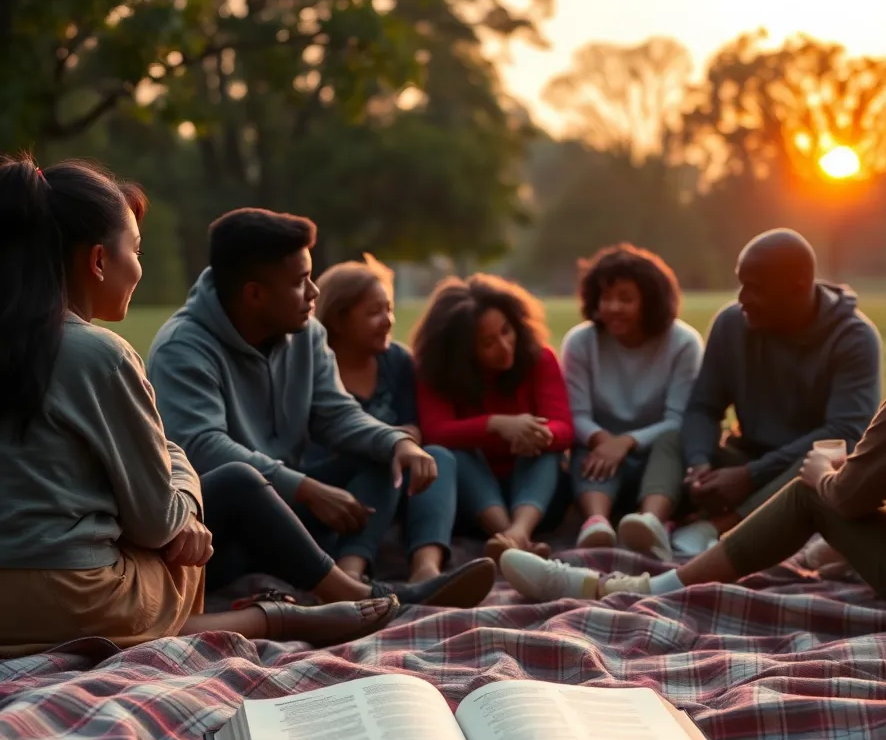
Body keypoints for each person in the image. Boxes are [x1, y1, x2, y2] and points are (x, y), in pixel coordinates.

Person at [0, 156, 404, 657]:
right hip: (75, 597)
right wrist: (185, 487)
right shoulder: (100, 355)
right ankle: (274, 618)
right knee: (188, 540)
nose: (139, 268)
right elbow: (157, 520)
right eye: (137, 250)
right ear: (100, 261)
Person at [501, 252, 886, 619]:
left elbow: (846, 497)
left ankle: (638, 588)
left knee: (810, 492)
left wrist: (821, 474)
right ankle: (824, 556)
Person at [148, 209, 494, 609]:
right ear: (255, 294)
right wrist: (308, 490)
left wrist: (396, 442)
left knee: (383, 457)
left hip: (288, 510)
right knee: (241, 478)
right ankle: (357, 596)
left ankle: (350, 570)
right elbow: (203, 449)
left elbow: (337, 413)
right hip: (221, 530)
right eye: (300, 282)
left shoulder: (306, 332)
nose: (314, 292)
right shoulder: (183, 348)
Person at [620, 228, 882, 560]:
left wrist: (750, 476)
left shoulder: (853, 339)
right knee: (673, 437)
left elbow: (846, 433)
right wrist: (700, 464)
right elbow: (703, 406)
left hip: (800, 471)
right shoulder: (732, 323)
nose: (742, 298)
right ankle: (652, 521)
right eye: (741, 284)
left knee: (824, 458)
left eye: (755, 288)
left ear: (797, 288)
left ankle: (721, 528)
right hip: (747, 458)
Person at [313, 255, 456, 582]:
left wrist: (405, 438)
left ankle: (426, 568)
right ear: (337, 319)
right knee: (379, 459)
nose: (388, 320)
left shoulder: (397, 360)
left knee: (442, 458)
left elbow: (414, 425)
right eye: (374, 312)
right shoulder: (315, 366)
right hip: (337, 486)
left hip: (395, 477)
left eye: (389, 308)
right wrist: (385, 442)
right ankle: (350, 572)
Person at [413, 275, 574, 562]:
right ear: (462, 352)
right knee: (449, 453)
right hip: (473, 503)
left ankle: (518, 534)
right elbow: (436, 431)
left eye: (507, 331)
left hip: (535, 497)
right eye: (488, 342)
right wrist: (498, 425)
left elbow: (564, 427)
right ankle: (508, 535)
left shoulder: (539, 359)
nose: (504, 346)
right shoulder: (436, 372)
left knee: (547, 451)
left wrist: (537, 433)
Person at [560, 244, 703, 551]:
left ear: (650, 301)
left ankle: (650, 523)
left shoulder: (683, 343)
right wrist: (603, 440)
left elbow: (678, 420)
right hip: (599, 455)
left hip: (658, 459)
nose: (612, 307)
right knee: (586, 446)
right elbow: (577, 415)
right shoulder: (581, 342)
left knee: (674, 441)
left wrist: (624, 443)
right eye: (606, 297)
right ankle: (596, 523)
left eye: (625, 298)